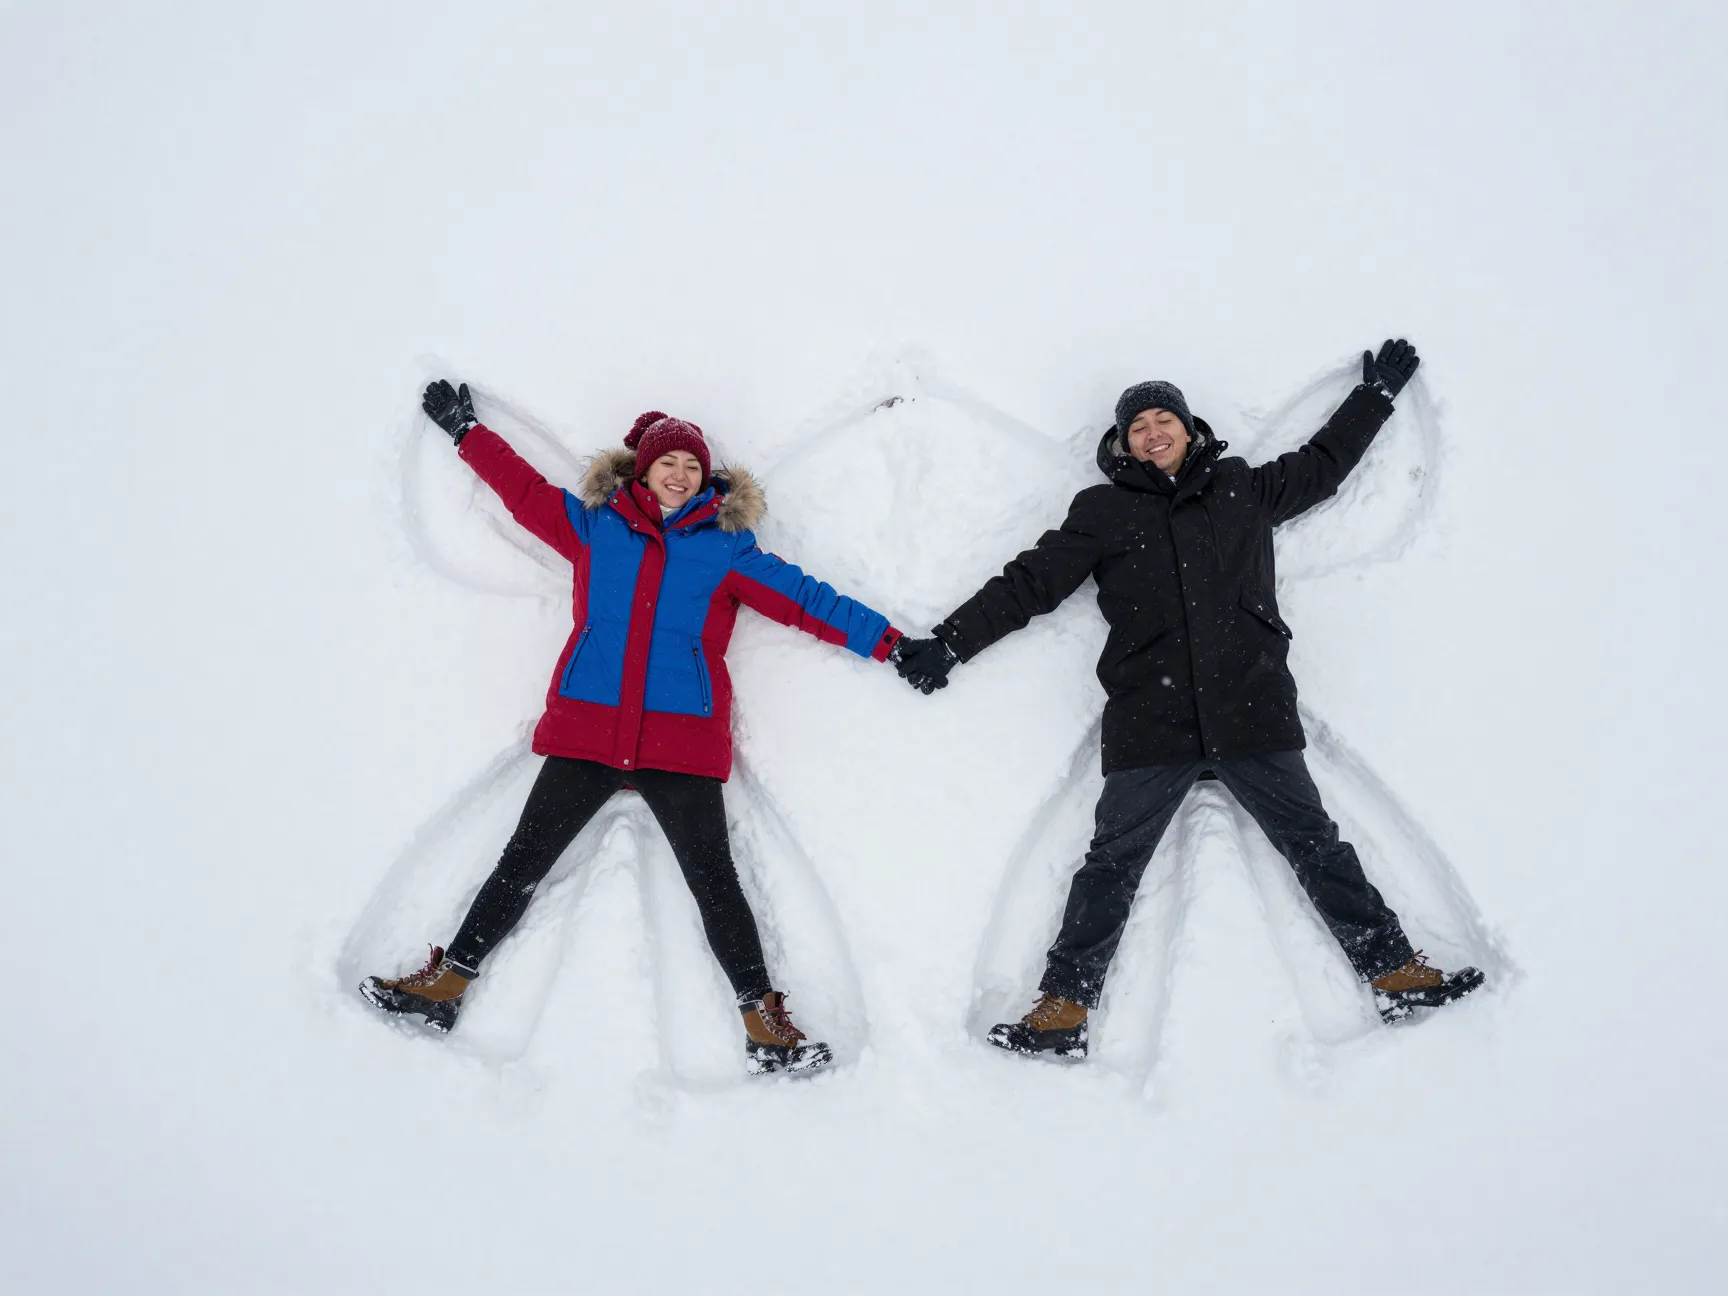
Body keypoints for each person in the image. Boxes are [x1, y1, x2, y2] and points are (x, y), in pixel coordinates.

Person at [892, 341, 1484, 1057]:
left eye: (1162, 417)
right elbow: (1030, 583)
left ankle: (1396, 972)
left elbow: (1325, 465)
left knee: (1316, 845)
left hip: (1251, 709)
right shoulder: (1103, 512)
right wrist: (951, 642)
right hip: (1153, 721)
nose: (1152, 431)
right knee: (1111, 863)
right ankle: (1063, 1010)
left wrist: (1375, 397)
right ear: (1124, 445)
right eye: (1137, 426)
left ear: (1189, 428)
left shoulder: (1241, 489)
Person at [361, 381, 905, 1075]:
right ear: (641, 469)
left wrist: (888, 642)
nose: (679, 475)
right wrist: (467, 431)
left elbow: (805, 600)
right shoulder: (594, 527)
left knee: (716, 880)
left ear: (705, 479)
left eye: (691, 467)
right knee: (522, 859)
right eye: (666, 463)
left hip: (679, 743)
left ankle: (765, 1024)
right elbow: (522, 490)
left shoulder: (724, 549)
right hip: (587, 733)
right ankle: (447, 983)